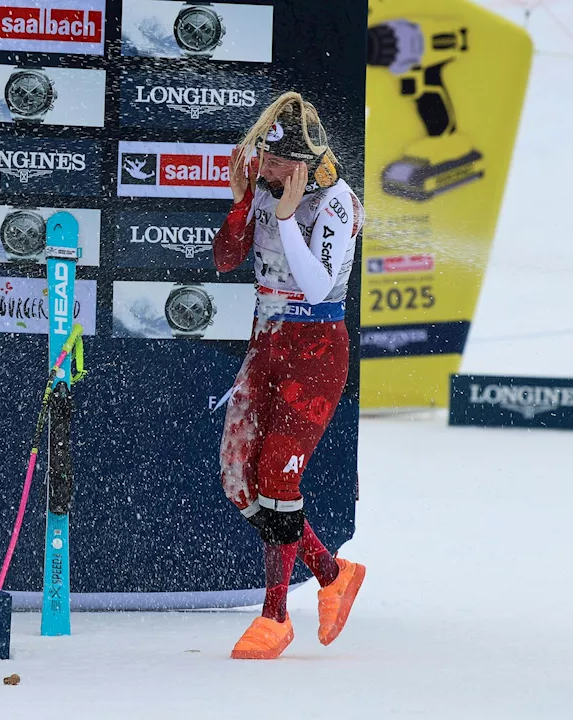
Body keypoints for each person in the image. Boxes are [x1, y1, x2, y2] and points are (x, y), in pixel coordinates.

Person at [213, 92, 367, 660]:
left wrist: (283, 217)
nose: (267, 170)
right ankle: (331, 571)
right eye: (264, 160)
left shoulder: (337, 202)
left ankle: (275, 615)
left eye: (276, 163)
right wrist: (239, 202)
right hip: (267, 344)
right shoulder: (263, 189)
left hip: (316, 350)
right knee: (238, 479)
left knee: (279, 476)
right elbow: (225, 259)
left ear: (304, 162)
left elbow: (319, 286)